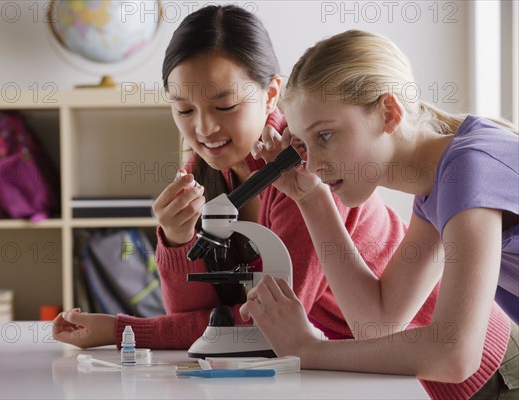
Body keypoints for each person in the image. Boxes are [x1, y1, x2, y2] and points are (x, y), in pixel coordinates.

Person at [52, 6, 422, 355]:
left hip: (412, 357)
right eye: (183, 109)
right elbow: (198, 317)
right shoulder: (206, 167)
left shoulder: (305, 168)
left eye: (225, 107)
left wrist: (122, 331)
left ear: (271, 94)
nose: (203, 128)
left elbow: (266, 325)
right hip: (331, 359)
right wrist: (177, 239)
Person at [241, 30, 518, 400]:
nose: (314, 163)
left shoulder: (469, 167)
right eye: (304, 145)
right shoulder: (437, 183)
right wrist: (311, 199)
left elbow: (455, 354)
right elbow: (378, 323)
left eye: (325, 136)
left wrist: (310, 350)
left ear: (388, 113)